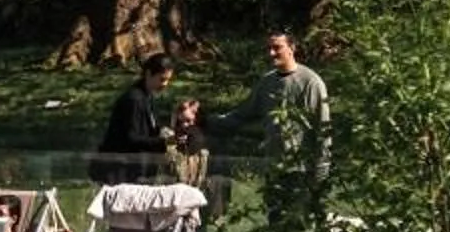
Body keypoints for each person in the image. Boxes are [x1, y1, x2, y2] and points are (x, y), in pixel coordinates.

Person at [205, 29, 331, 175]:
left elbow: (323, 128)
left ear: (292, 48)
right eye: (269, 48)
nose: (271, 53)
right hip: (273, 167)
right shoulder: (267, 82)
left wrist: (322, 170)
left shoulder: (310, 82)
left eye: (277, 48)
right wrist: (205, 121)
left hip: (301, 170)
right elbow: (242, 115)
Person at [90, 54, 175, 182]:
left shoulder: (147, 97)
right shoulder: (134, 100)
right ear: (148, 74)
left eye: (168, 80)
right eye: (162, 79)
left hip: (134, 170)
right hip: (120, 172)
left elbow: (149, 128)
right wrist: (162, 142)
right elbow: (131, 138)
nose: (165, 84)